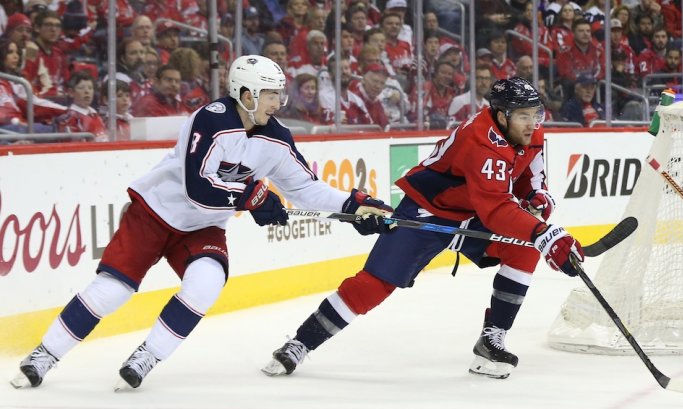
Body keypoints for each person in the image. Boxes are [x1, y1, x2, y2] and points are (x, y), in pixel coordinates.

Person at [11, 55, 394, 390]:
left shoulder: (277, 138)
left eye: (280, 93)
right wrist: (251, 197)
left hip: (204, 227)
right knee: (112, 291)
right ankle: (44, 355)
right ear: (247, 95)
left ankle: (146, 356)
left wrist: (353, 204)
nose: (279, 101)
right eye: (272, 94)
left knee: (207, 282)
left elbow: (305, 187)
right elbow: (198, 186)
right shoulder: (211, 120)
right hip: (155, 212)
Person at [262, 77, 585, 380]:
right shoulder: (480, 140)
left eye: (536, 114)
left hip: (474, 210)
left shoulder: (531, 134)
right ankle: (301, 343)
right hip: (430, 210)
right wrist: (544, 234)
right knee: (374, 284)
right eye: (524, 116)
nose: (533, 123)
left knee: (523, 247)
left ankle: (491, 340)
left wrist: (537, 198)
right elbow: (498, 209)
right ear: (501, 116)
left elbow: (532, 178)